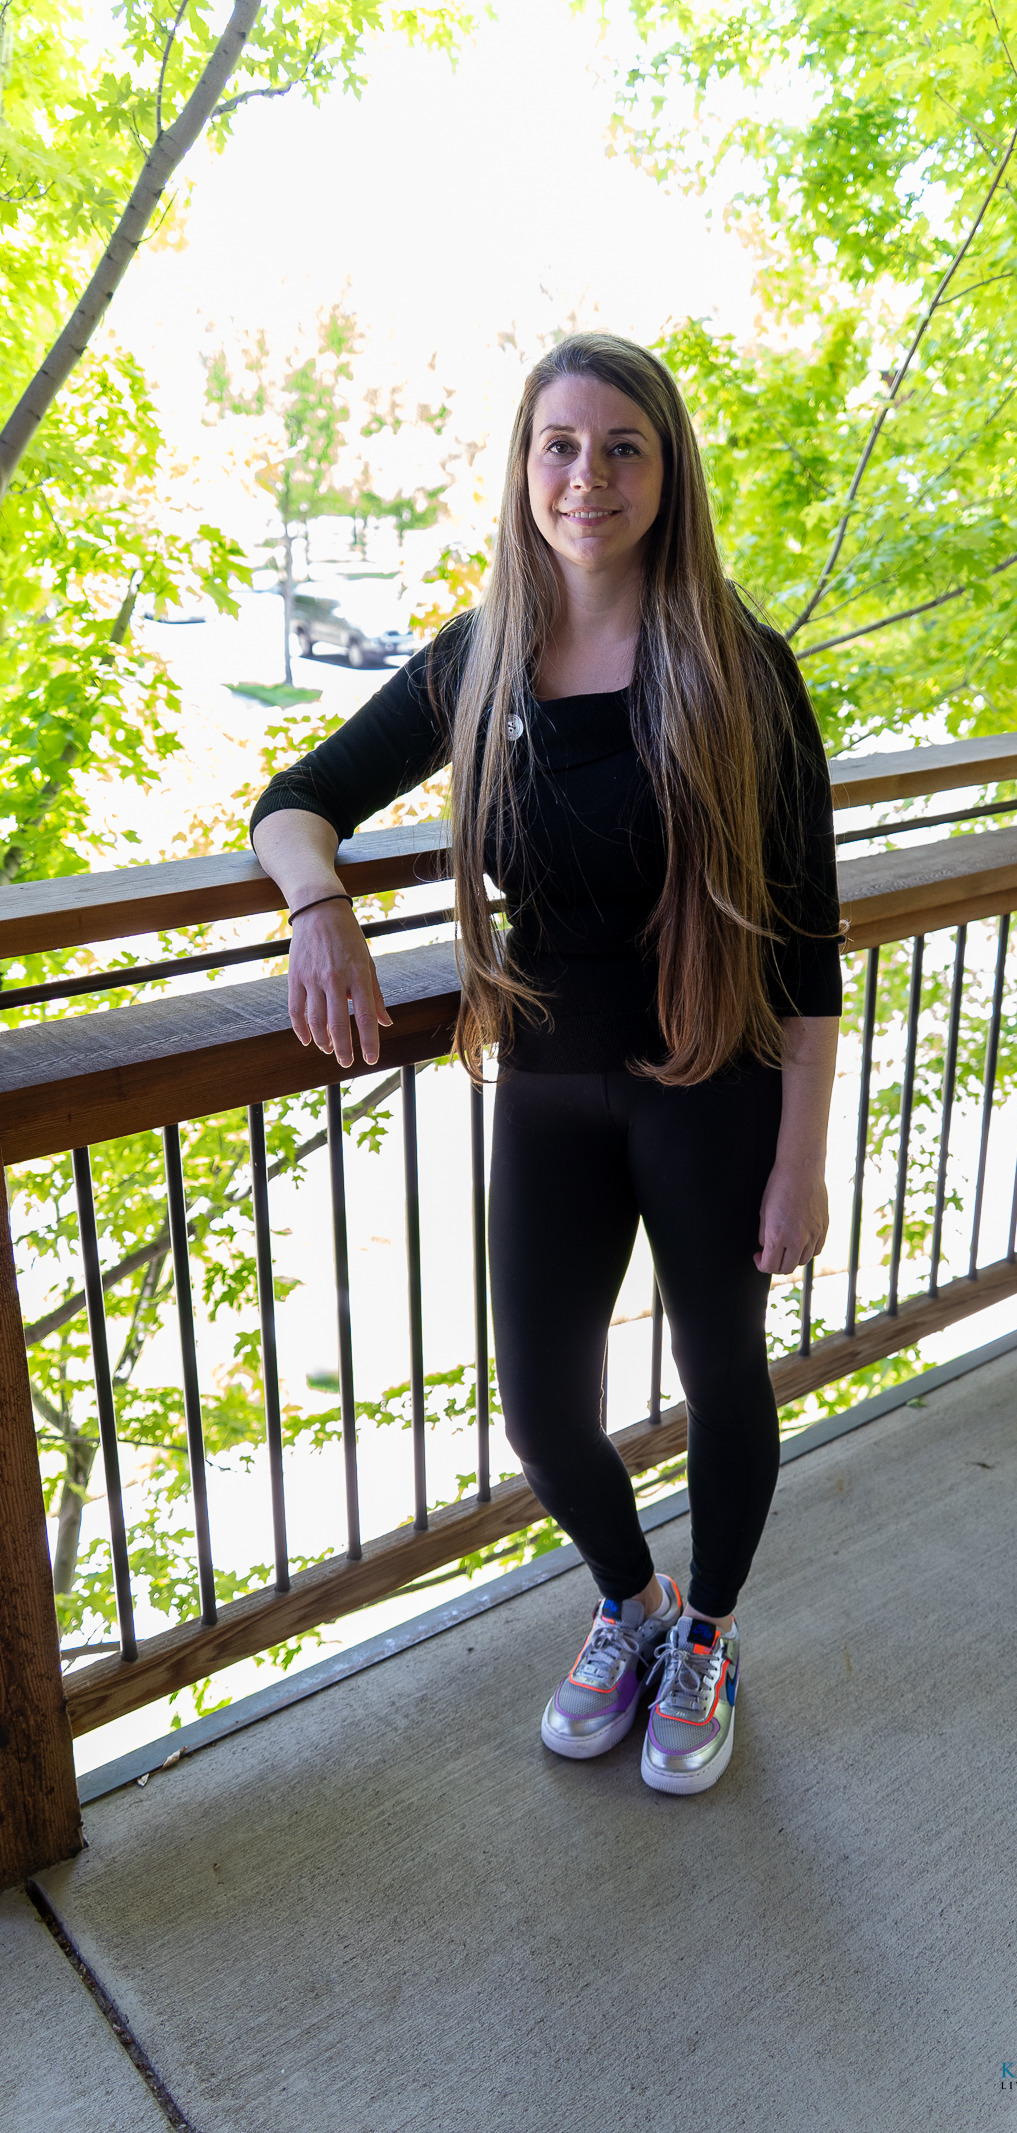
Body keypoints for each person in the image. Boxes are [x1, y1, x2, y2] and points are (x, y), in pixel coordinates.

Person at [250, 332, 842, 1796]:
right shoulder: (481, 659)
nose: (590, 476)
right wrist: (318, 907)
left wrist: (802, 1158)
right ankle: (631, 1606)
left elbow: (813, 941)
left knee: (723, 1381)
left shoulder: (739, 664)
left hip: (717, 1080)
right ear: (526, 470)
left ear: (667, 468)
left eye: (622, 446)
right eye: (561, 447)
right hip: (552, 1088)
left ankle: (707, 1633)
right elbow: (296, 799)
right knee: (541, 1406)